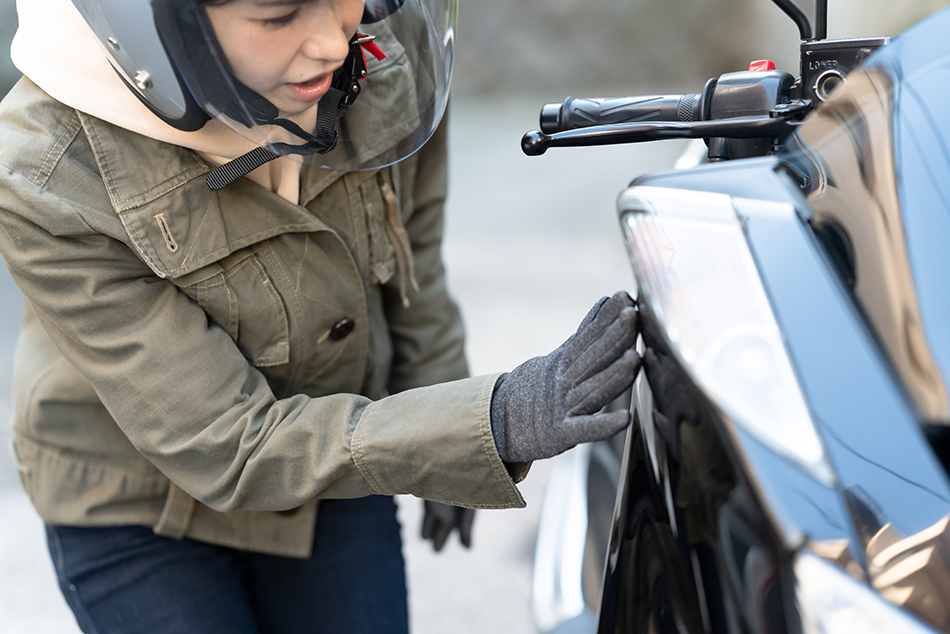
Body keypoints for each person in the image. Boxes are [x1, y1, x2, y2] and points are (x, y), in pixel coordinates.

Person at [0, 0, 642, 632]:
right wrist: (490, 422)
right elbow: (228, 441)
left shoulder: (374, 62)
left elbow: (408, 255)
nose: (334, 44)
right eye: (279, 15)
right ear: (152, 21)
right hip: (137, 502)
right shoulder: (45, 173)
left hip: (342, 443)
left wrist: (449, 413)